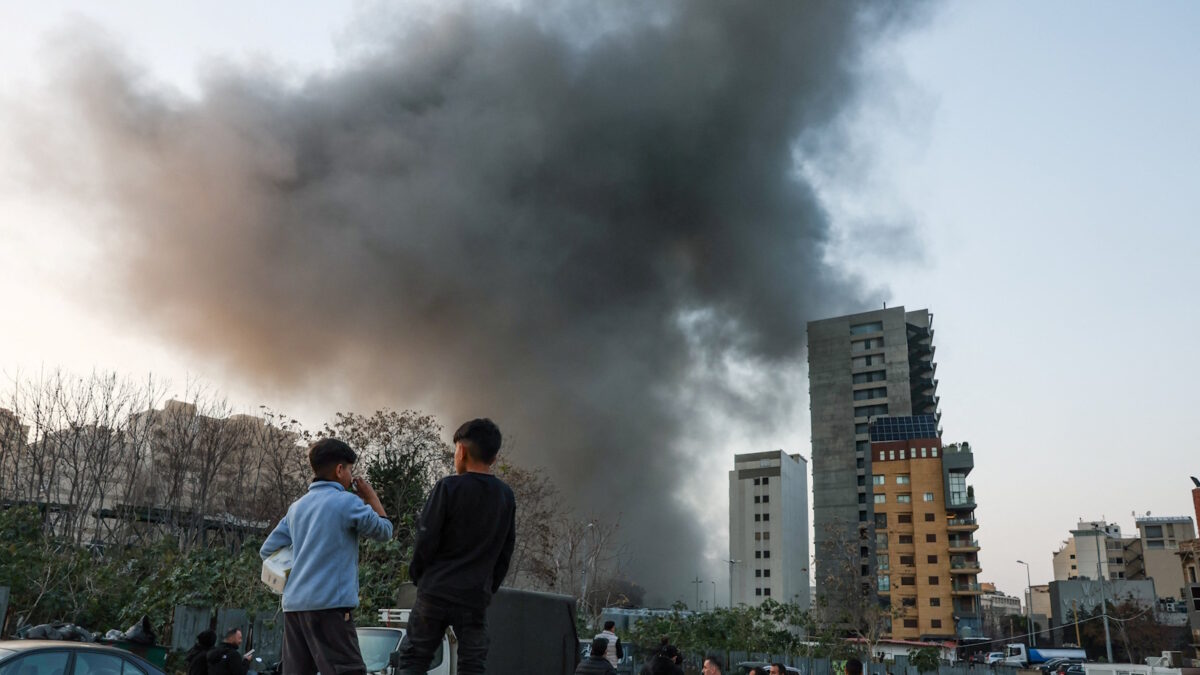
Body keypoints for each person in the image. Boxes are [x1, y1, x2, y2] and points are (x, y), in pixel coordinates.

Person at [260, 438, 394, 675]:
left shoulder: (297, 508)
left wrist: (305, 556)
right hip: (331, 606)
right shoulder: (347, 502)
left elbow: (267, 550)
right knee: (347, 671)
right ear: (339, 469)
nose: (350, 476)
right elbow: (385, 532)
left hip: (294, 607)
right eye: (350, 470)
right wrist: (372, 497)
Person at [396, 419, 516, 675]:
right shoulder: (505, 496)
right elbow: (506, 550)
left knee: (414, 658)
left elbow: (426, 538)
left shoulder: (447, 487)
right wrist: (487, 586)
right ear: (494, 457)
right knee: (473, 664)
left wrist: (419, 575)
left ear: (461, 451)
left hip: (436, 591)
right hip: (474, 596)